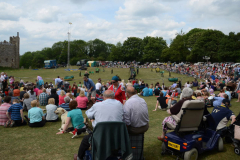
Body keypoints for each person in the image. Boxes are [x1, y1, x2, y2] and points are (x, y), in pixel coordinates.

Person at [75, 90, 123, 159]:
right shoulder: (120, 104)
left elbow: (88, 114)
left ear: (103, 97)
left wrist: (92, 119)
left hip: (101, 137)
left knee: (86, 139)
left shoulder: (97, 105)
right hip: (117, 137)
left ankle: (79, 157)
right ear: (114, 97)